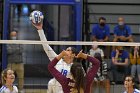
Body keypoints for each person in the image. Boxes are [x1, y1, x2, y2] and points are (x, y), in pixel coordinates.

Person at [32, 21, 77, 93]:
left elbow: (82, 82)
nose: (65, 51)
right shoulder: (58, 60)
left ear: (73, 55)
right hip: (56, 90)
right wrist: (40, 30)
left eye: (68, 50)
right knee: (51, 83)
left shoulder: (76, 67)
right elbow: (46, 47)